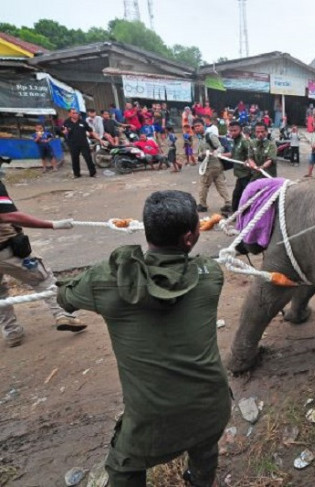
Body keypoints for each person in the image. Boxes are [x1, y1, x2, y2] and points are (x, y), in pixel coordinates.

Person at [56, 190, 231, 486]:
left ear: (147, 230)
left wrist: (91, 282)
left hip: (152, 424)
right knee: (205, 446)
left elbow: (65, 299)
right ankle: (200, 480)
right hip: (212, 407)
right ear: (189, 238)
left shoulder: (106, 279)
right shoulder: (211, 275)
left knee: (123, 468)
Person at [0, 167, 83, 347]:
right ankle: (63, 315)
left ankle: (12, 333)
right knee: (43, 279)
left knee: (0, 294)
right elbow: (9, 215)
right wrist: (52, 225)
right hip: (5, 249)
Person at [192, 118, 232, 213]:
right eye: (195, 127)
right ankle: (228, 203)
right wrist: (201, 155)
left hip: (212, 165)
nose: (197, 128)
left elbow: (221, 147)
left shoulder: (210, 136)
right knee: (220, 184)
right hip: (213, 165)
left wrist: (215, 152)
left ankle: (202, 204)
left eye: (199, 126)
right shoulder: (201, 138)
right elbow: (202, 152)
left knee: (204, 184)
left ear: (203, 125)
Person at [62, 108, 97, 178]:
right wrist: (65, 132)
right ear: (69, 114)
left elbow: (90, 130)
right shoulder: (66, 122)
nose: (75, 114)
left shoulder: (82, 122)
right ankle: (76, 174)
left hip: (83, 143)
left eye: (76, 113)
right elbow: (63, 131)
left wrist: (98, 138)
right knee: (74, 158)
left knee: (88, 157)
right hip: (73, 143)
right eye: (73, 113)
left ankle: (93, 173)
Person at [227, 121, 250, 213]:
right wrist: (218, 154)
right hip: (240, 175)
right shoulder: (235, 141)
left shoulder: (244, 141)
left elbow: (252, 154)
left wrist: (248, 160)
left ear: (240, 130)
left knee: (245, 195)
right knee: (236, 194)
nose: (232, 133)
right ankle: (235, 213)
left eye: (235, 130)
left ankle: (245, 214)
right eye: (230, 131)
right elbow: (232, 154)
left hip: (246, 174)